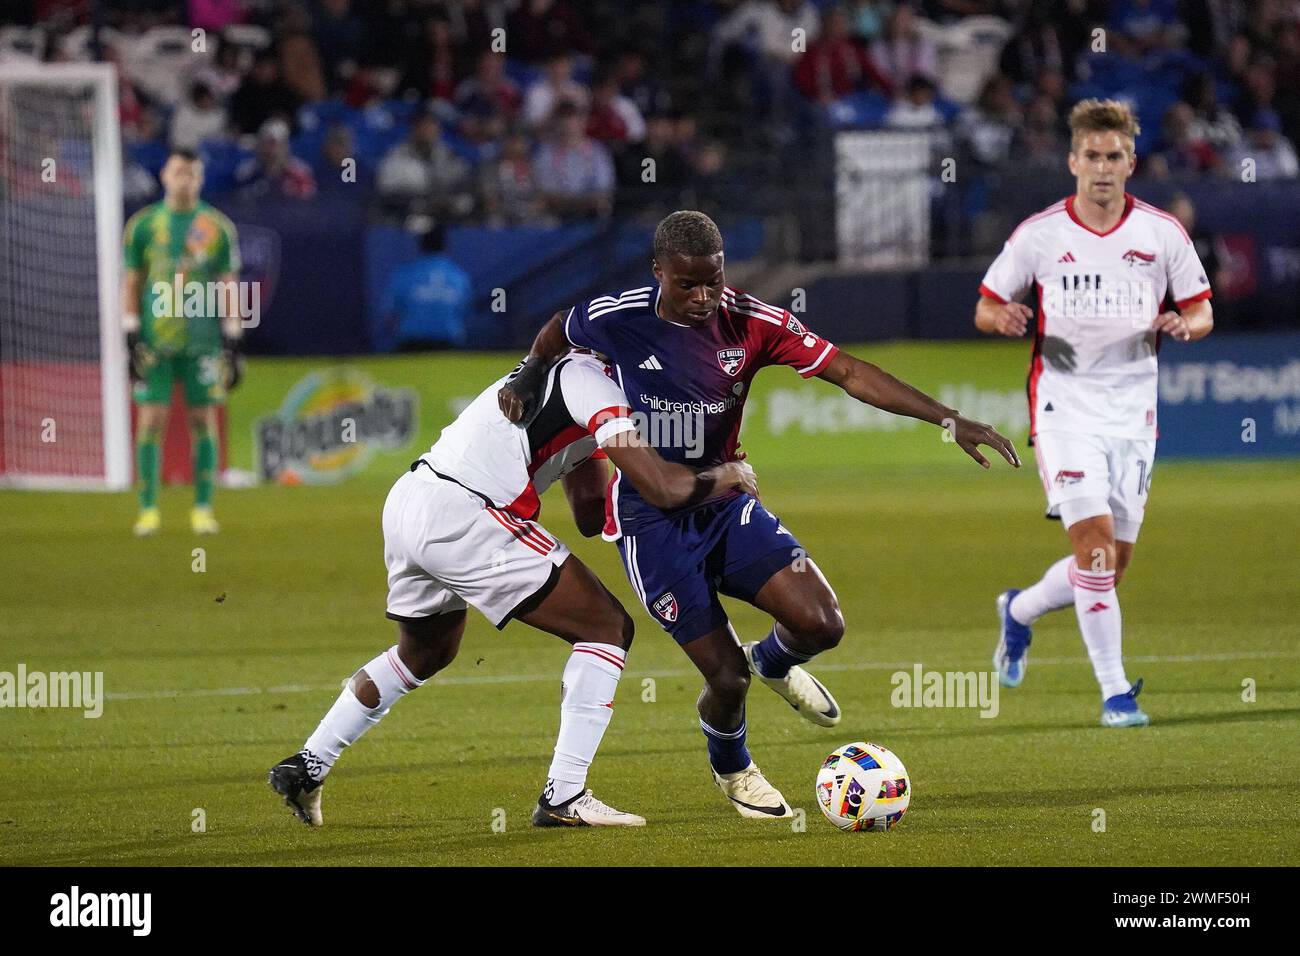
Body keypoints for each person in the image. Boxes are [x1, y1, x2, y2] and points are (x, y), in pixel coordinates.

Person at [499, 210, 1019, 819]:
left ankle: (770, 659)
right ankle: (734, 769)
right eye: (687, 283)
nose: (702, 297)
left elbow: (848, 371)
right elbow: (559, 329)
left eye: (712, 281)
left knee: (823, 624)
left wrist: (947, 418)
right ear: (659, 272)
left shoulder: (750, 322)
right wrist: (529, 373)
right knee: (724, 681)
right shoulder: (617, 316)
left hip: (725, 503)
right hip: (650, 522)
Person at [268, 350, 760, 829]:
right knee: (606, 628)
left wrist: (628, 490)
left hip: (411, 503)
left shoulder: (575, 384)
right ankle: (564, 794)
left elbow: (590, 514)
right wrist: (722, 477)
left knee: (425, 651)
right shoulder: (594, 382)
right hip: (468, 510)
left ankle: (308, 765)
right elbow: (662, 488)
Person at [975, 99, 1214, 727]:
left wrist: (1185, 325)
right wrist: (1001, 317)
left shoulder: (1161, 233)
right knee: (1096, 551)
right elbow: (987, 304)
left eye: (1114, 157)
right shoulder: (1041, 235)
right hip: (1064, 409)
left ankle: (1020, 610)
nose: (1102, 168)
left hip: (1133, 415)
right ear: (1073, 159)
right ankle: (1114, 693)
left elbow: (1202, 309)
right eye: (1092, 156)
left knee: (1109, 565)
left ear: (1130, 162)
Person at [122, 149, 243, 537]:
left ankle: (203, 509)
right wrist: (129, 333)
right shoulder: (143, 226)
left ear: (201, 179)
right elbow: (132, 281)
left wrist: (233, 340)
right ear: (164, 176)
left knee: (202, 420)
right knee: (151, 421)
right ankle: (148, 510)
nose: (185, 180)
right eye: (178, 172)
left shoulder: (216, 227)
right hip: (154, 342)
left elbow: (227, 284)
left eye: (192, 174)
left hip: (203, 342)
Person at [381, 225, 472, 351]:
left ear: (421, 247)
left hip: (411, 343)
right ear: (445, 247)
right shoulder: (458, 276)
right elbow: (465, 311)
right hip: (448, 344)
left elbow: (390, 314)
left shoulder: (405, 273)